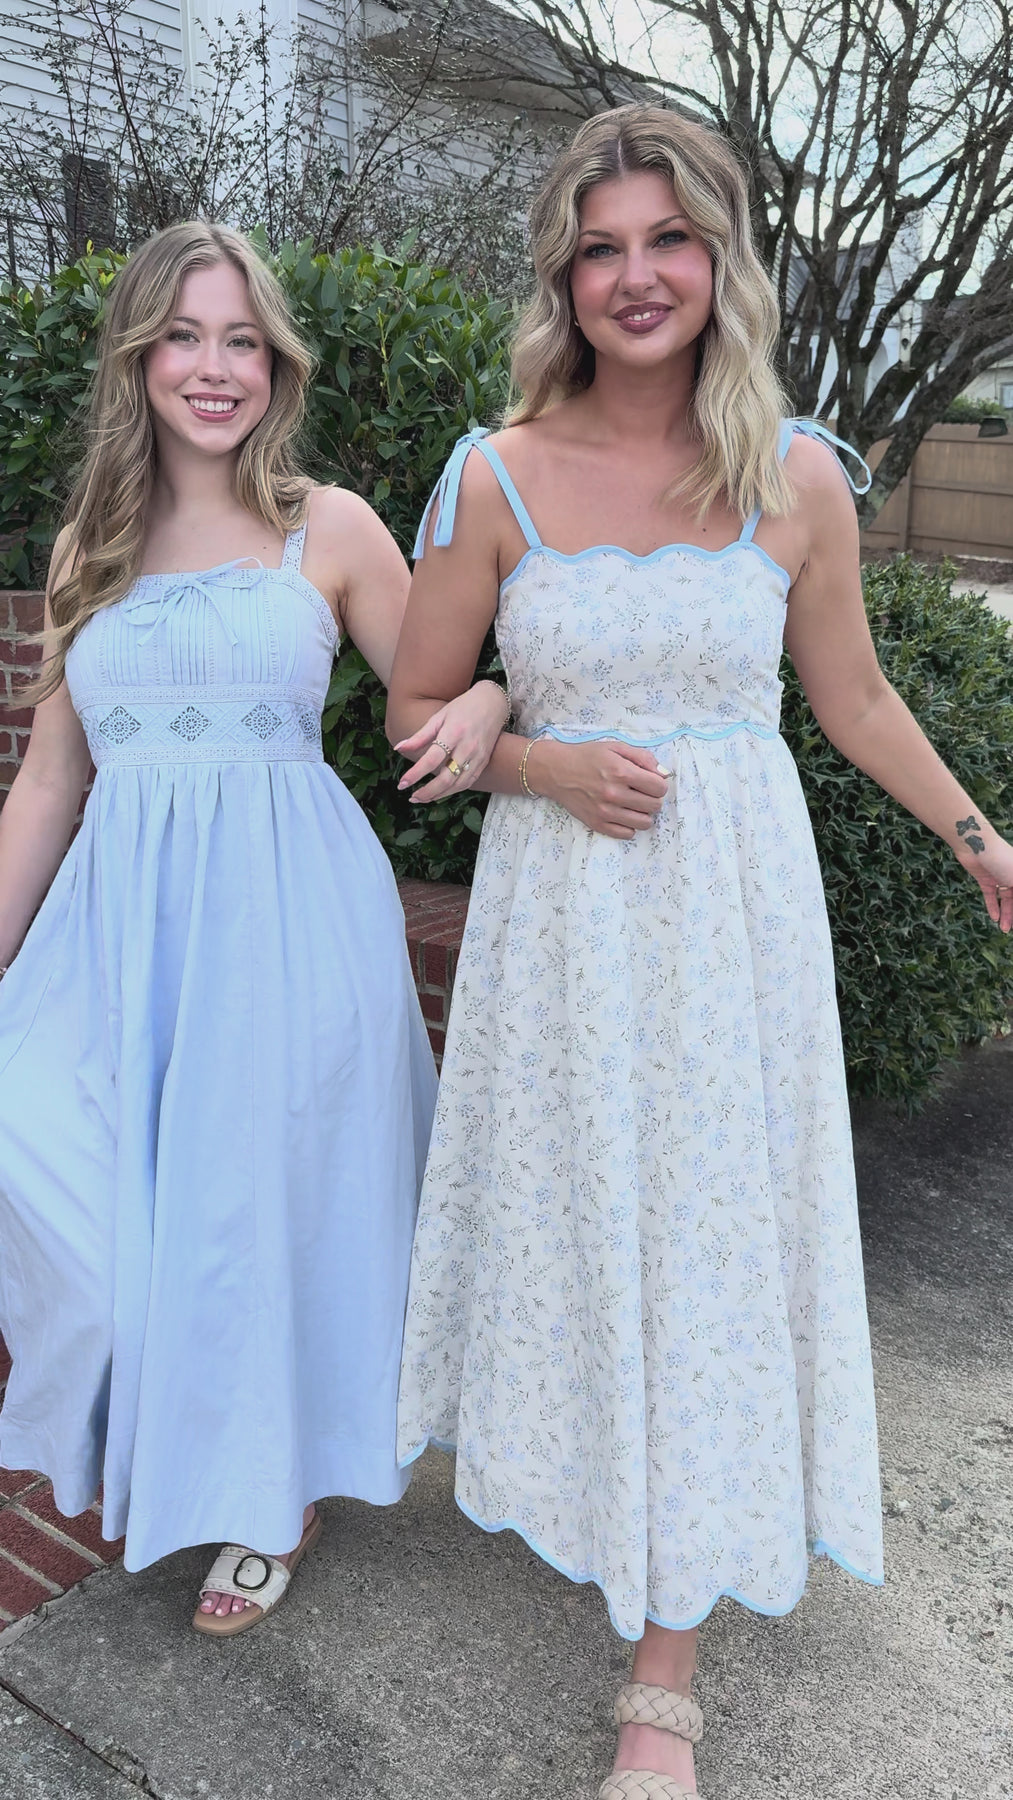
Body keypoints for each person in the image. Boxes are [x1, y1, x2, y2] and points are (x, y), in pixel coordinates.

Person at [387, 106, 1013, 1796]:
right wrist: (528, 753)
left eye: (669, 238)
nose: (636, 275)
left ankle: (661, 1673)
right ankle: (604, 1499)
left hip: (734, 924)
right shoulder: (492, 474)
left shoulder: (794, 473)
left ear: (721, 260)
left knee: (715, 1249)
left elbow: (853, 697)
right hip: (565, 926)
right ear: (562, 278)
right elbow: (414, 707)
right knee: (591, 1230)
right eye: (600, 248)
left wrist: (979, 846)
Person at [0, 220, 508, 1636]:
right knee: (63, 1183)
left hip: (289, 930)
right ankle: (163, 1446)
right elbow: (48, 782)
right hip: (117, 937)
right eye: (183, 336)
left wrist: (494, 699)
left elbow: (435, 686)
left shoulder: (325, 526)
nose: (213, 366)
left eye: (241, 340)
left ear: (275, 364)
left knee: (251, 1231)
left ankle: (268, 1493)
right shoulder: (89, 546)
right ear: (137, 358)